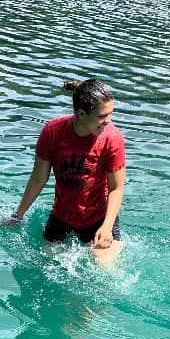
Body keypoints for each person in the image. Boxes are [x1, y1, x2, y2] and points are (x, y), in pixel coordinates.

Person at [6, 78, 126, 265]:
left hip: (99, 218)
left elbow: (116, 188)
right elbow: (38, 178)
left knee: (104, 269)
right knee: (47, 264)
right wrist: (18, 216)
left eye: (111, 114)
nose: (108, 121)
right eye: (102, 116)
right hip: (62, 216)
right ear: (81, 114)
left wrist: (107, 226)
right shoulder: (53, 132)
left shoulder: (112, 138)